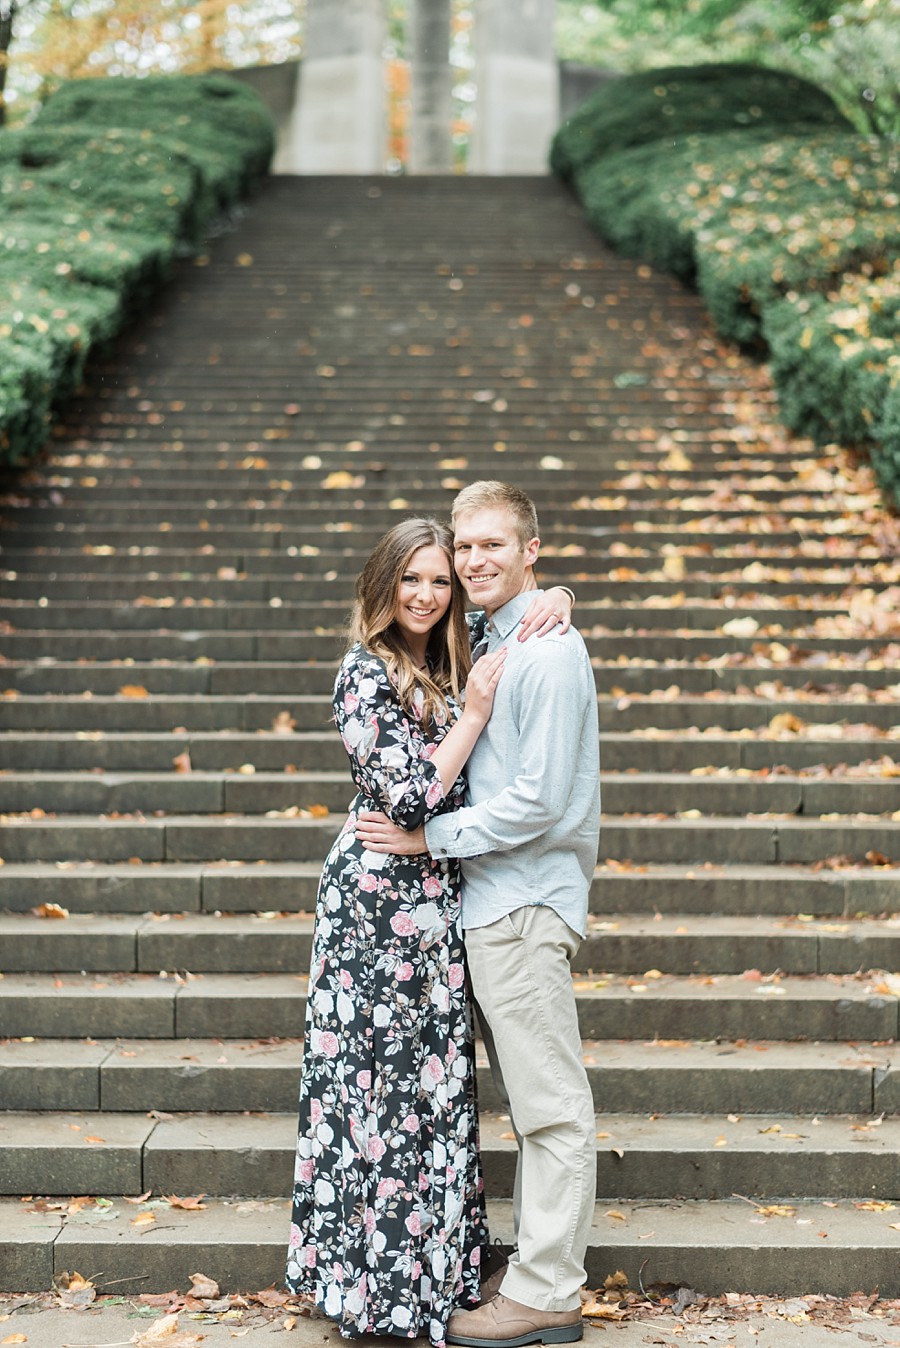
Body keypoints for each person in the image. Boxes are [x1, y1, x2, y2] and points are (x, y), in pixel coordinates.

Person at [286, 515, 576, 1347]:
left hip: (439, 896)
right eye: (410, 579)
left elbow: (520, 600)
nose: (426, 593)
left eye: (439, 580)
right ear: (382, 586)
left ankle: (435, 1270)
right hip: (377, 904)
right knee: (379, 1091)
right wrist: (475, 716)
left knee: (435, 1091)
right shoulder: (362, 674)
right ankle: (375, 1289)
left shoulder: (445, 659)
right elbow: (407, 799)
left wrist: (556, 592)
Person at [357, 482, 601, 1348]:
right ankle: (537, 1266)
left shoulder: (548, 648)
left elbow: (535, 799)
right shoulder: (503, 635)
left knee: (549, 1107)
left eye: (495, 545)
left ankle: (545, 1292)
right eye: (465, 548)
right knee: (532, 1102)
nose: (474, 561)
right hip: (492, 904)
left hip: (524, 901)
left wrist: (429, 838)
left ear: (532, 550)